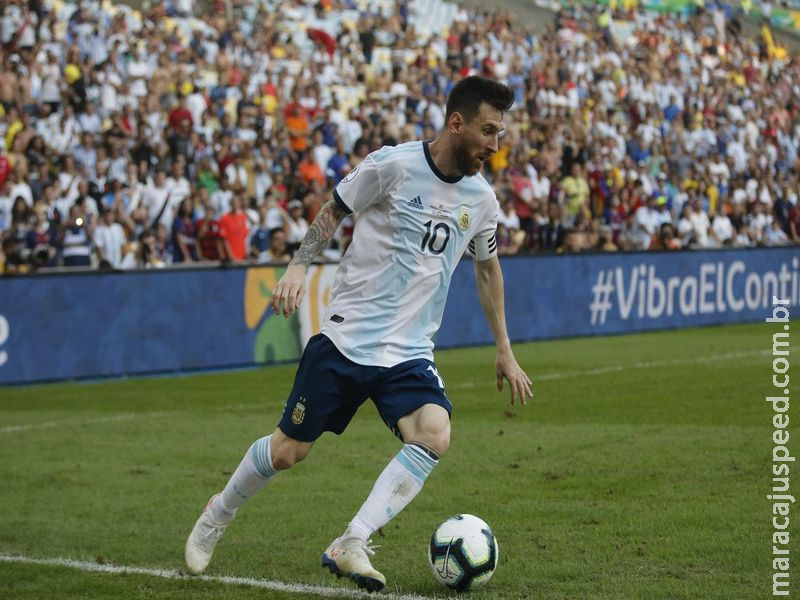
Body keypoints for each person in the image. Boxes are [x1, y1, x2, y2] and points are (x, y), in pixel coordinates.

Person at [184, 76, 533, 592]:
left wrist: (504, 349)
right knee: (287, 452)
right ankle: (219, 512)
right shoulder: (393, 164)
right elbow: (334, 209)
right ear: (456, 123)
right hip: (347, 340)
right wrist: (298, 267)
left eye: (499, 134)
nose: (495, 145)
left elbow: (487, 270)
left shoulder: (481, 199)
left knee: (435, 432)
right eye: (487, 131)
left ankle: (352, 540)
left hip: (410, 351)